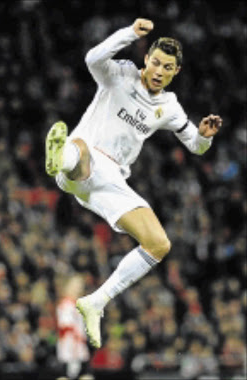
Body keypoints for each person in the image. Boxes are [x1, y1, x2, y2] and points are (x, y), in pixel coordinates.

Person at [45, 18, 222, 349]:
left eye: (166, 66)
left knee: (159, 243)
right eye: (155, 61)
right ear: (146, 59)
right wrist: (128, 34)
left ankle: (96, 301)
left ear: (175, 72)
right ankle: (61, 157)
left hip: (110, 182)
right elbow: (92, 59)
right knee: (81, 150)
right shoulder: (121, 74)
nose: (158, 69)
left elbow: (195, 146)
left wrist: (205, 138)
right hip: (86, 159)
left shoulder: (168, 106)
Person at [56, 275, 92, 380]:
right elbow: (66, 327)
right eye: (75, 284)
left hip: (79, 347)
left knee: (85, 375)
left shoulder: (77, 304)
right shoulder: (66, 305)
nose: (78, 287)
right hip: (71, 349)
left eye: (80, 284)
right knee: (66, 376)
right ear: (67, 286)